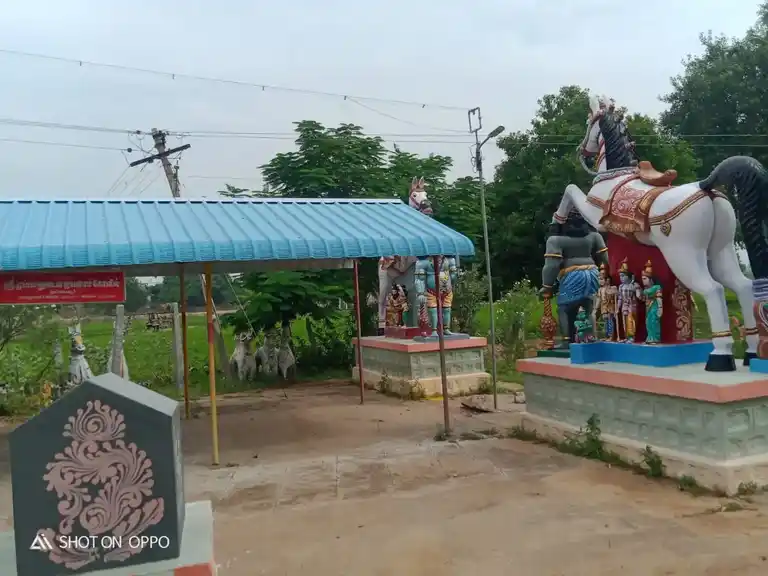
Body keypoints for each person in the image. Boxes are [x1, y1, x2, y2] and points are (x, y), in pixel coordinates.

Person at [640, 259, 663, 344]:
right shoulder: (646, 289)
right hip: (648, 308)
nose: (643, 281)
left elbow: (659, 298)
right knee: (648, 322)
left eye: (645, 279)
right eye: (642, 279)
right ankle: (649, 337)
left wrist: (660, 308)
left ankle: (655, 338)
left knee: (654, 321)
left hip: (655, 306)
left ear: (650, 279)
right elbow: (642, 298)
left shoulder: (657, 287)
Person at [617, 258, 639, 342]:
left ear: (629, 276)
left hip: (632, 305)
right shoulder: (621, 286)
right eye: (620, 276)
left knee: (631, 321)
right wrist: (617, 307)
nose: (621, 278)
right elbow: (620, 298)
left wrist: (636, 289)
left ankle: (631, 337)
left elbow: (638, 296)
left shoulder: (633, 285)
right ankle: (626, 336)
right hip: (624, 305)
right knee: (624, 321)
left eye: (623, 276)